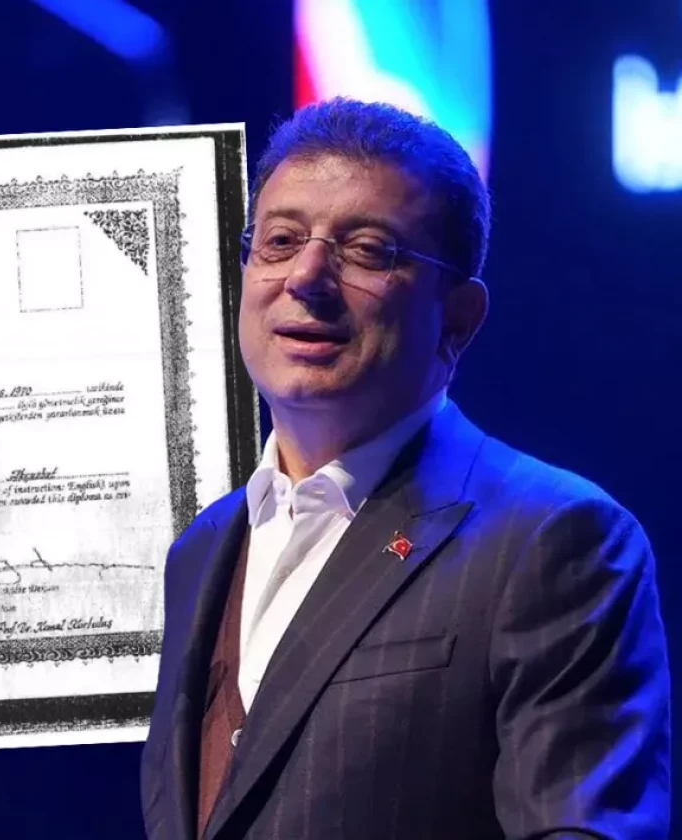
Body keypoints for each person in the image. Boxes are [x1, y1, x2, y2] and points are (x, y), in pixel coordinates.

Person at [139, 98, 670, 840]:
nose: (307, 276)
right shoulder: (198, 552)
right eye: (280, 241)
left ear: (457, 320)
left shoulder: (553, 540)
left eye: (368, 251)